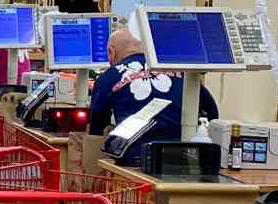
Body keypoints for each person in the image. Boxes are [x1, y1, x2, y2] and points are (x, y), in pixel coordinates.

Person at [89, 29, 218, 163]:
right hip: (186, 157)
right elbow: (212, 111)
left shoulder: (107, 77)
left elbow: (96, 129)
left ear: (111, 52)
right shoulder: (181, 72)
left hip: (137, 158)